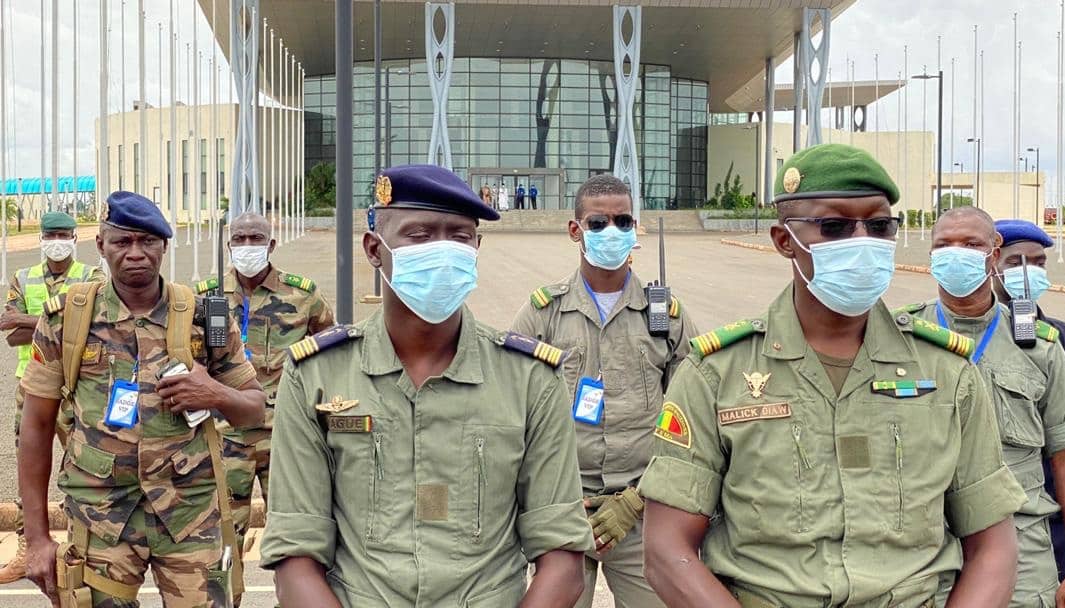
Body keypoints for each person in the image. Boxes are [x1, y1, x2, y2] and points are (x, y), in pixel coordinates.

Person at [638, 143, 1027, 607]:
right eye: (835, 227)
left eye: (879, 226)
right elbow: (667, 550)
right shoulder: (716, 374)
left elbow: (993, 545)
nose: (862, 240)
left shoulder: (948, 373)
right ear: (785, 240)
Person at [260, 164, 593, 608]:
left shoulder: (530, 379)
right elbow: (295, 555)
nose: (443, 250)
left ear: (477, 248)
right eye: (419, 235)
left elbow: (563, 558)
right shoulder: (316, 376)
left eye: (459, 236)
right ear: (374, 249)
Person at [18, 191, 266, 607]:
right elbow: (36, 426)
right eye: (122, 241)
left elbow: (254, 407)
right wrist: (38, 538)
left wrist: (215, 393)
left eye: (148, 241)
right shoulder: (68, 319)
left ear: (164, 245)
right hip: (101, 518)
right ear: (101, 245)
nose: (136, 252)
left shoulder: (205, 315)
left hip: (188, 514)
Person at [511, 173, 696, 608]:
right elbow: (512, 417)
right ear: (575, 230)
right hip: (564, 512)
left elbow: (691, 425)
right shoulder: (543, 314)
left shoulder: (665, 316)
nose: (612, 231)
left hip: (642, 510)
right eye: (598, 223)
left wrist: (635, 500)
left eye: (623, 221)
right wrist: (545, 502)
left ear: (635, 228)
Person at [909, 206, 1065, 607]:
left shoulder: (1041, 347)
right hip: (924, 550)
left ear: (993, 251)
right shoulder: (900, 337)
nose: (957, 253)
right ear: (931, 256)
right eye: (944, 245)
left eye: (971, 244)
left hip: (1022, 551)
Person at [193, 212, 334, 605]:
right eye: (239, 238)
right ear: (228, 245)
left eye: (255, 238)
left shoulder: (302, 295)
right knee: (221, 540)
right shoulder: (204, 297)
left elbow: (331, 351)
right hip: (225, 439)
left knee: (295, 541)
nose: (247, 245)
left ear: (271, 245)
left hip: (286, 438)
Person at [0, 211, 104, 584]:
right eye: (50, 235)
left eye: (63, 234)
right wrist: (63, 323)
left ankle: (84, 551)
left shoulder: (92, 277)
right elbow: (11, 336)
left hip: (79, 386)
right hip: (31, 386)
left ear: (75, 238)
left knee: (86, 469)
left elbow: (92, 324)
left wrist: (27, 320)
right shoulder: (23, 277)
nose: (56, 241)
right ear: (42, 238)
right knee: (29, 470)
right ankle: (27, 550)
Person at [991, 219, 1065, 588]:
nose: (1029, 272)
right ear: (993, 264)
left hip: (1051, 504)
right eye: (1016, 263)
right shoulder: (953, 336)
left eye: (1039, 263)